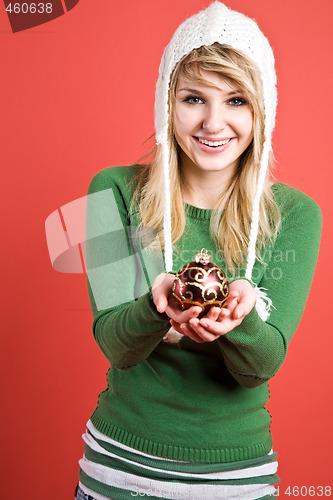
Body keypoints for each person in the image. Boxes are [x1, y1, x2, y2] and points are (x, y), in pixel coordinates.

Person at [75, 2, 322, 499]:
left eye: (236, 101)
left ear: (263, 111)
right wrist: (155, 304)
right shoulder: (112, 191)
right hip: (119, 471)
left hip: (236, 479)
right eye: (193, 98)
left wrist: (242, 320)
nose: (213, 123)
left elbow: (259, 368)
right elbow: (117, 347)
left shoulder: (296, 214)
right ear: (168, 105)